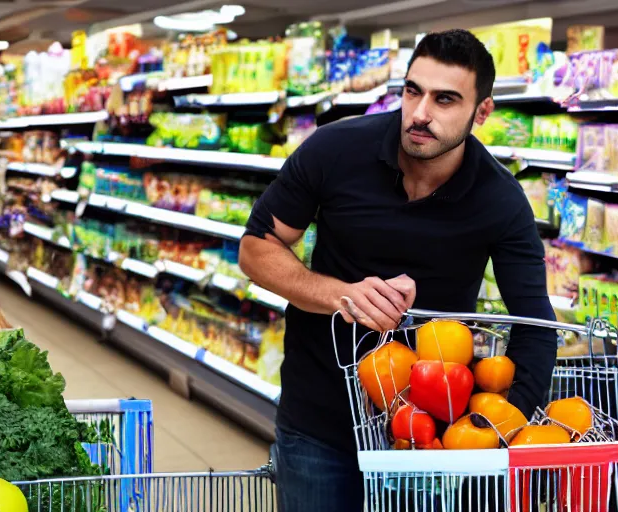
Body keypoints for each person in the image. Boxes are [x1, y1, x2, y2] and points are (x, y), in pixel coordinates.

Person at [239, 29, 558, 511]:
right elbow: (256, 248)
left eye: (445, 99)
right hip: (318, 420)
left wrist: (498, 427)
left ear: (483, 111)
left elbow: (536, 326)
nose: (421, 113)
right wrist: (340, 294)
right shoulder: (334, 150)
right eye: (413, 91)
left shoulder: (502, 201)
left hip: (428, 437)